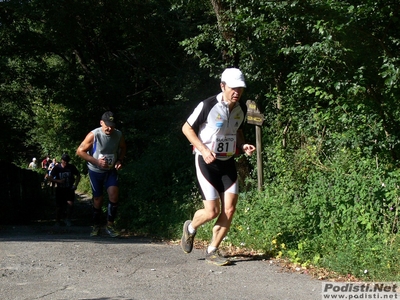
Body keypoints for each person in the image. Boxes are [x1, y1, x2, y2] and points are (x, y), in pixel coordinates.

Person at [181, 68, 256, 266]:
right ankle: (190, 228)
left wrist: (242, 145)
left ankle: (212, 249)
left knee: (230, 210)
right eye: (233, 88)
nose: (236, 92)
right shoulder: (207, 105)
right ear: (222, 86)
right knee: (212, 211)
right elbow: (186, 128)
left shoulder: (240, 108)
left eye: (240, 89)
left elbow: (237, 131)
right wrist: (204, 150)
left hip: (228, 162)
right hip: (207, 162)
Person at [76, 111, 127, 238]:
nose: (109, 128)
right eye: (107, 125)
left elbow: (123, 148)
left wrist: (120, 160)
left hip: (110, 170)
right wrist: (96, 162)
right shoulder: (94, 135)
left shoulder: (118, 134)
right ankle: (95, 225)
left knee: (114, 195)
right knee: (98, 199)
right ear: (101, 123)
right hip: (95, 171)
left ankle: (110, 225)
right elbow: (80, 151)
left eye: (112, 125)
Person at [45, 153, 81, 227]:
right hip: (60, 189)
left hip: (69, 188)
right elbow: (50, 178)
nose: (65, 163)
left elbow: (78, 175)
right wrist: (58, 181)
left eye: (67, 161)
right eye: (64, 161)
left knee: (70, 204)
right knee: (59, 206)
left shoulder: (71, 167)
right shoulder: (57, 168)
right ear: (61, 160)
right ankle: (57, 220)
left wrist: (75, 185)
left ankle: (68, 219)